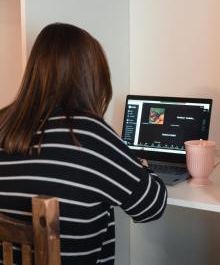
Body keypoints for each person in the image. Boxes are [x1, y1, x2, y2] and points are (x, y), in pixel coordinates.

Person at [0, 23, 167, 265]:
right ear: (90, 76)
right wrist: (142, 165)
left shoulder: (4, 123)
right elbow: (151, 206)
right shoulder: (88, 134)